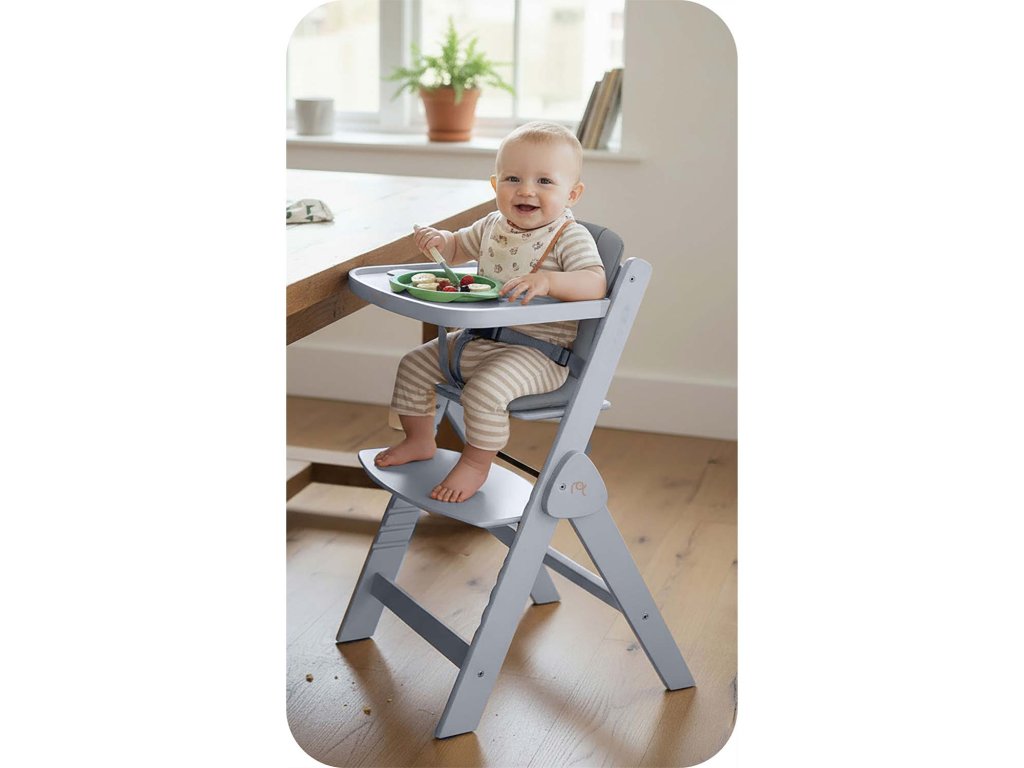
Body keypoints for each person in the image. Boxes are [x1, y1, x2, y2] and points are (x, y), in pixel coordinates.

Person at [374, 121, 607, 502]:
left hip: (539, 355)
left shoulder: (569, 236)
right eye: (513, 178)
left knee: (484, 392)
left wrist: (549, 281)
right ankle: (419, 440)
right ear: (496, 185)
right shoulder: (492, 226)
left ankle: (476, 464)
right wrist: (440, 240)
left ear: (573, 194)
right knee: (413, 365)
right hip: (478, 341)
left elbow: (595, 283)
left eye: (544, 181)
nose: (526, 190)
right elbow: (455, 249)